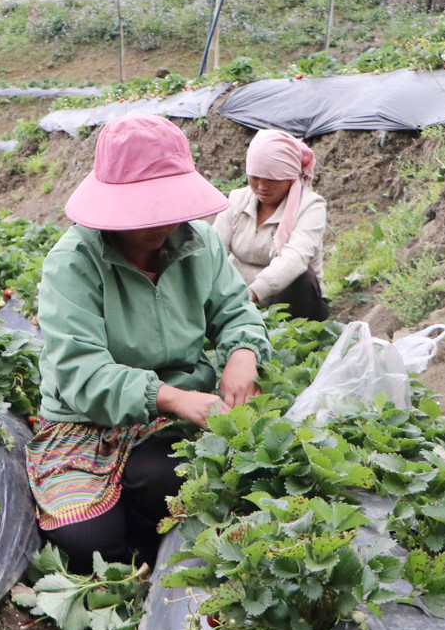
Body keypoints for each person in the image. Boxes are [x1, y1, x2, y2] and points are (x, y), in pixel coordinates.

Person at [28, 115, 271, 572]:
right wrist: (173, 397)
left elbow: (236, 310)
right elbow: (81, 372)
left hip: (169, 419)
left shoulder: (201, 244)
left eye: (167, 206)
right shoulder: (73, 263)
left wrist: (243, 353)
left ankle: (149, 530)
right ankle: (131, 547)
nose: (159, 223)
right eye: (143, 210)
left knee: (168, 479)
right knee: (89, 543)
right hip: (87, 420)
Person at [213, 129, 329, 321]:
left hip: (294, 301)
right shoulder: (237, 200)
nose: (261, 187)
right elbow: (214, 249)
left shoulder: (311, 206)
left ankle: (289, 331)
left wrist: (252, 293)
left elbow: (294, 258)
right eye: (255, 177)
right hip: (240, 296)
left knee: (300, 276)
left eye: (272, 180)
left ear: (290, 177)